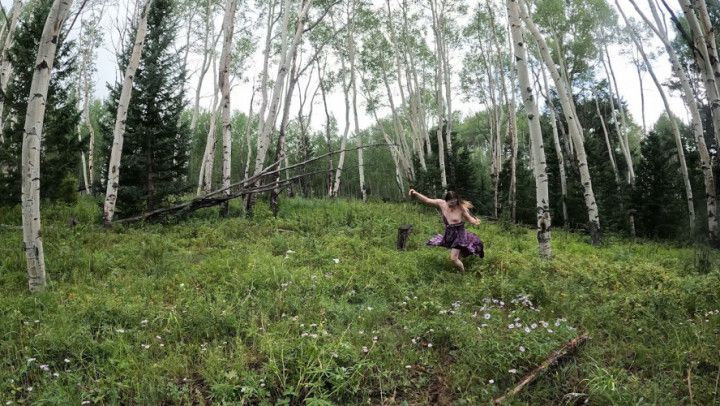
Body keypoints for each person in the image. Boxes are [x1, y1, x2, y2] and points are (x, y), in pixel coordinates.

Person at [409, 189, 484, 272]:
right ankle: (460, 268)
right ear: (446, 201)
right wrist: (415, 193)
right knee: (458, 256)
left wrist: (475, 221)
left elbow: (470, 219)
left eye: (455, 202)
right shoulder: (441, 203)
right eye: (450, 203)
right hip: (449, 234)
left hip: (459, 235)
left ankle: (463, 274)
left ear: (457, 201)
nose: (453, 205)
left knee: (453, 259)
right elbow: (427, 200)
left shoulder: (461, 208)